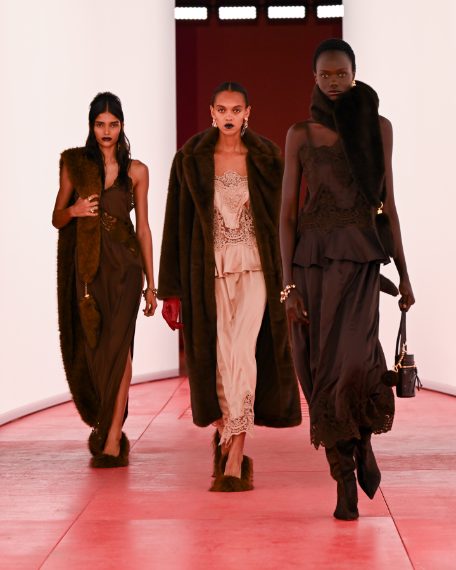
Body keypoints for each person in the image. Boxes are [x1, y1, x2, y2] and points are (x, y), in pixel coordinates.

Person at [280, 39, 415, 520]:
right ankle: (343, 479)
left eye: (341, 74)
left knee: (356, 366)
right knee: (318, 372)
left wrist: (404, 272)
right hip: (311, 269)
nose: (333, 82)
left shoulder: (378, 127)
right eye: (325, 75)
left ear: (354, 74)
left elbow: (388, 204)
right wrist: (287, 286)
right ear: (314, 78)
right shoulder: (301, 134)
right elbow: (287, 216)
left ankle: (361, 446)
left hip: (359, 267)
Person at [158, 82, 301, 492]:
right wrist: (170, 288)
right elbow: (175, 223)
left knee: (242, 355)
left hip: (257, 269)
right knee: (221, 359)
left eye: (236, 110)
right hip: (210, 273)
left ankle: (235, 455)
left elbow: (286, 219)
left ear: (248, 112)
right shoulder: (190, 159)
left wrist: (296, 276)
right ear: (211, 112)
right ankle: (226, 437)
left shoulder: (267, 158)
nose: (229, 117)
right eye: (222, 109)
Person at [52, 92, 157, 468]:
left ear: (122, 126)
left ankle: (113, 438)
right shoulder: (76, 167)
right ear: (91, 126)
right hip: (91, 271)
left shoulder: (137, 171)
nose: (106, 131)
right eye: (100, 124)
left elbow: (143, 229)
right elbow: (57, 218)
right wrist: (76, 209)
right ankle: (105, 422)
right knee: (97, 352)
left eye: (113, 124)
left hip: (126, 270)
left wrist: (151, 284)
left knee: (121, 349)